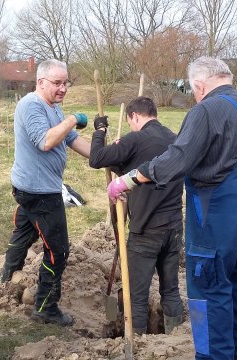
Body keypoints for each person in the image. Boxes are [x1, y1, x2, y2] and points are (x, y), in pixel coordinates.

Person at [108, 57, 237, 360]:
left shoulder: (206, 110)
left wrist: (128, 180)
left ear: (199, 84)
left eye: (194, 90)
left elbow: (176, 160)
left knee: (208, 297)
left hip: (215, 218)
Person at [1, 59, 91, 327]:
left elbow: (71, 140)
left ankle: (8, 276)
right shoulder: (31, 105)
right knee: (58, 250)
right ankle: (46, 307)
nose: (63, 88)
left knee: (24, 232)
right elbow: (47, 141)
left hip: (32, 188)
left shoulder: (54, 108)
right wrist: (74, 118)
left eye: (66, 82)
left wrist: (106, 154)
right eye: (57, 83)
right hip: (40, 192)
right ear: (41, 82)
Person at [89, 96, 185, 335]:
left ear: (134, 116)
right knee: (171, 290)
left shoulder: (136, 138)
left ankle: (139, 345)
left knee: (137, 296)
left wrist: (99, 131)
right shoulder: (175, 139)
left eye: (130, 122)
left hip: (146, 230)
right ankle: (175, 339)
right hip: (174, 228)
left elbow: (96, 159)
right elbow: (138, 167)